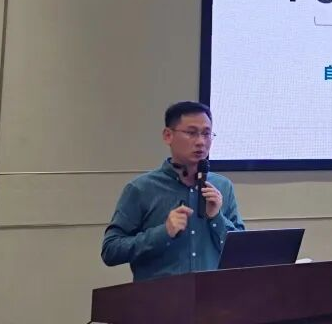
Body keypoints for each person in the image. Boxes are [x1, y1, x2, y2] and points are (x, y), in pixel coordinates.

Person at [101, 101, 245, 281]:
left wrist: (217, 218)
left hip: (213, 294)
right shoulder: (141, 189)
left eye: (206, 134)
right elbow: (111, 250)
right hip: (160, 296)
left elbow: (243, 251)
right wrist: (163, 233)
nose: (201, 142)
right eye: (191, 133)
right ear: (168, 136)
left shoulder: (223, 186)